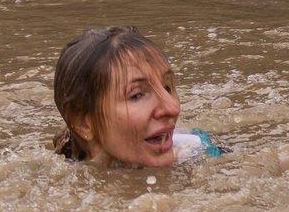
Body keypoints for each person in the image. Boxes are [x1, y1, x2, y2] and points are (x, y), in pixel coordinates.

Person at [52, 25, 222, 167]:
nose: (172, 108)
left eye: (167, 87)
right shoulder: (51, 192)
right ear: (82, 122)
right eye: (136, 95)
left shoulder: (203, 154)